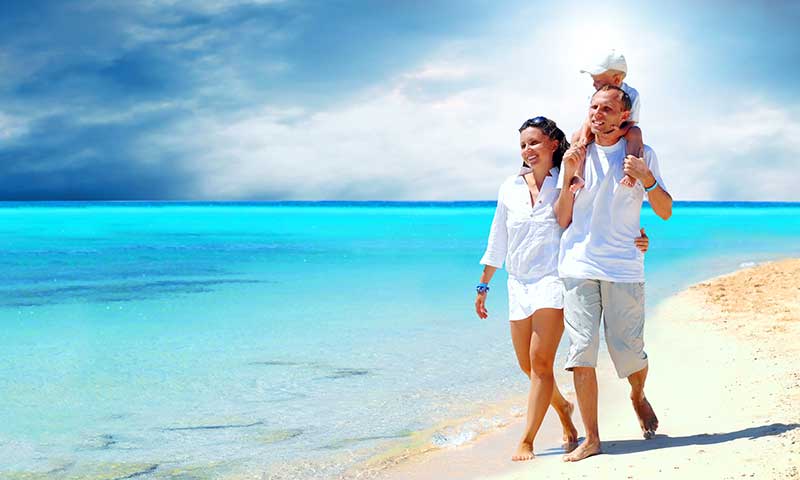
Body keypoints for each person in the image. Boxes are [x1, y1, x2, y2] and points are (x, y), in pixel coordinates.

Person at [475, 116, 650, 461]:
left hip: (555, 280)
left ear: (553, 144)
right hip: (518, 283)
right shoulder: (510, 187)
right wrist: (484, 284)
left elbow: (602, 216)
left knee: (541, 364)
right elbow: (498, 239)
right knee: (527, 366)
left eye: (535, 142)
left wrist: (638, 237)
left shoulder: (570, 176)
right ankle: (563, 410)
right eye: (523, 145)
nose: (528, 150)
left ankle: (526, 440)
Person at [555, 85, 673, 462]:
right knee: (581, 351)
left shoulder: (642, 154)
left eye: (606, 108)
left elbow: (666, 211)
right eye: (593, 107)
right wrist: (569, 175)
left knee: (629, 352)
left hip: (623, 267)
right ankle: (592, 438)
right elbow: (561, 219)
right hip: (577, 265)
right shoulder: (577, 154)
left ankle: (637, 395)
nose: (597, 114)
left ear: (625, 116)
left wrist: (647, 178)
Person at [569, 49, 644, 192]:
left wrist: (618, 132)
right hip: (598, 127)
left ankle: (631, 174)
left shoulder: (631, 94)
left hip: (622, 129)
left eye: (597, 81)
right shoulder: (596, 95)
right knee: (576, 136)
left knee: (635, 133)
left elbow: (631, 122)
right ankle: (577, 174)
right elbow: (588, 121)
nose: (593, 85)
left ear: (616, 79)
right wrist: (584, 137)